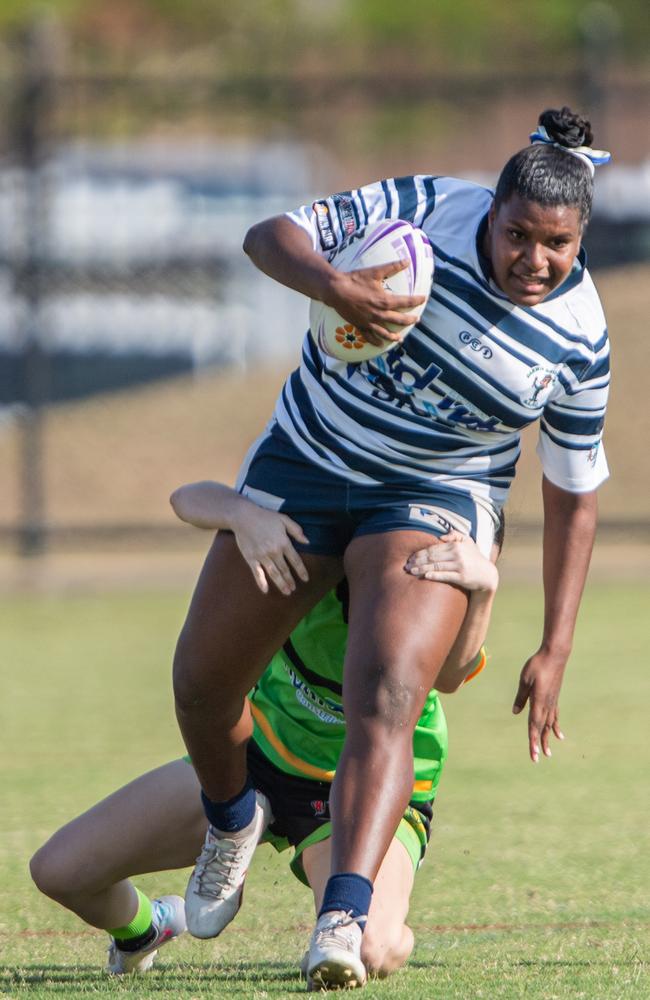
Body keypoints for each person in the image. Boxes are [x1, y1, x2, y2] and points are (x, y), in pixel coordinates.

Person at [172, 107, 611, 987]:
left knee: (390, 690)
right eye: (517, 234)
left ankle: (342, 915)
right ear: (488, 211)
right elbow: (270, 236)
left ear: (580, 238)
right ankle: (231, 821)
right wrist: (339, 288)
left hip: (433, 497)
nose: (533, 259)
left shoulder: (580, 338)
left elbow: (574, 495)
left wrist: (555, 644)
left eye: (556, 245)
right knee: (202, 683)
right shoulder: (418, 209)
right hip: (308, 457)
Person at [29, 484, 501, 986]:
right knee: (61, 872)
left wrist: (484, 588)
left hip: (363, 792)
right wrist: (243, 515)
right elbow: (185, 498)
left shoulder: (421, 552)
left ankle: (379, 914)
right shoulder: (311, 520)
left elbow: (449, 678)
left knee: (373, 949)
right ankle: (148, 929)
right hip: (256, 764)